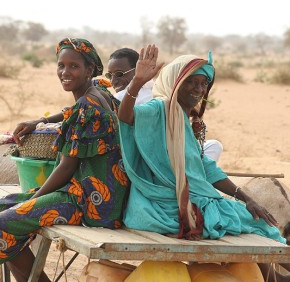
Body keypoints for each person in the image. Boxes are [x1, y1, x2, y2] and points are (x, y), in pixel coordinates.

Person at [117, 44, 290, 281]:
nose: (198, 89)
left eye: (202, 84)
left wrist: (248, 198)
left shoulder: (182, 119)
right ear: (175, 81)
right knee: (256, 223)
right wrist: (137, 82)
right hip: (164, 207)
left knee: (253, 217)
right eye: (191, 82)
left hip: (187, 200)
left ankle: (274, 277)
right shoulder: (160, 108)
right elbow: (126, 117)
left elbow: (205, 168)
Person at [2, 37, 129, 282]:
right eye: (61, 65)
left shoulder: (86, 105)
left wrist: (33, 201)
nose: (65, 72)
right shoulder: (98, 93)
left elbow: (66, 167)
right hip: (98, 195)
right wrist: (40, 121)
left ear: (90, 69)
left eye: (74, 66)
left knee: (5, 223)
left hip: (91, 204)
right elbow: (72, 113)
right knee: (6, 204)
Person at [103, 47, 223, 162]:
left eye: (119, 74)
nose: (113, 81)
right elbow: (125, 118)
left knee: (210, 148)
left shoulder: (161, 94)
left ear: (137, 70)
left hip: (171, 153)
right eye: (109, 75)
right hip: (150, 157)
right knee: (212, 148)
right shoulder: (155, 98)